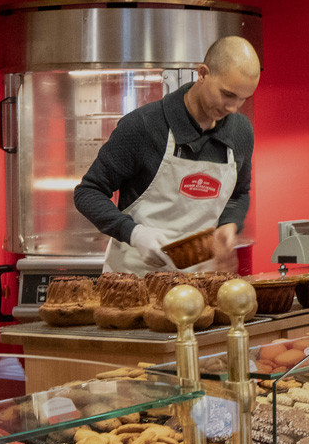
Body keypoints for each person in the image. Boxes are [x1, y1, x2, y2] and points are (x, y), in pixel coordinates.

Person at [74, 35, 261, 275]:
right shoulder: (143, 127)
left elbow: (239, 194)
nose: (232, 108)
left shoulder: (240, 132)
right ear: (203, 73)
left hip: (200, 283)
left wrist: (229, 224)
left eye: (243, 98)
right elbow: (88, 192)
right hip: (134, 283)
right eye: (227, 94)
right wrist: (134, 232)